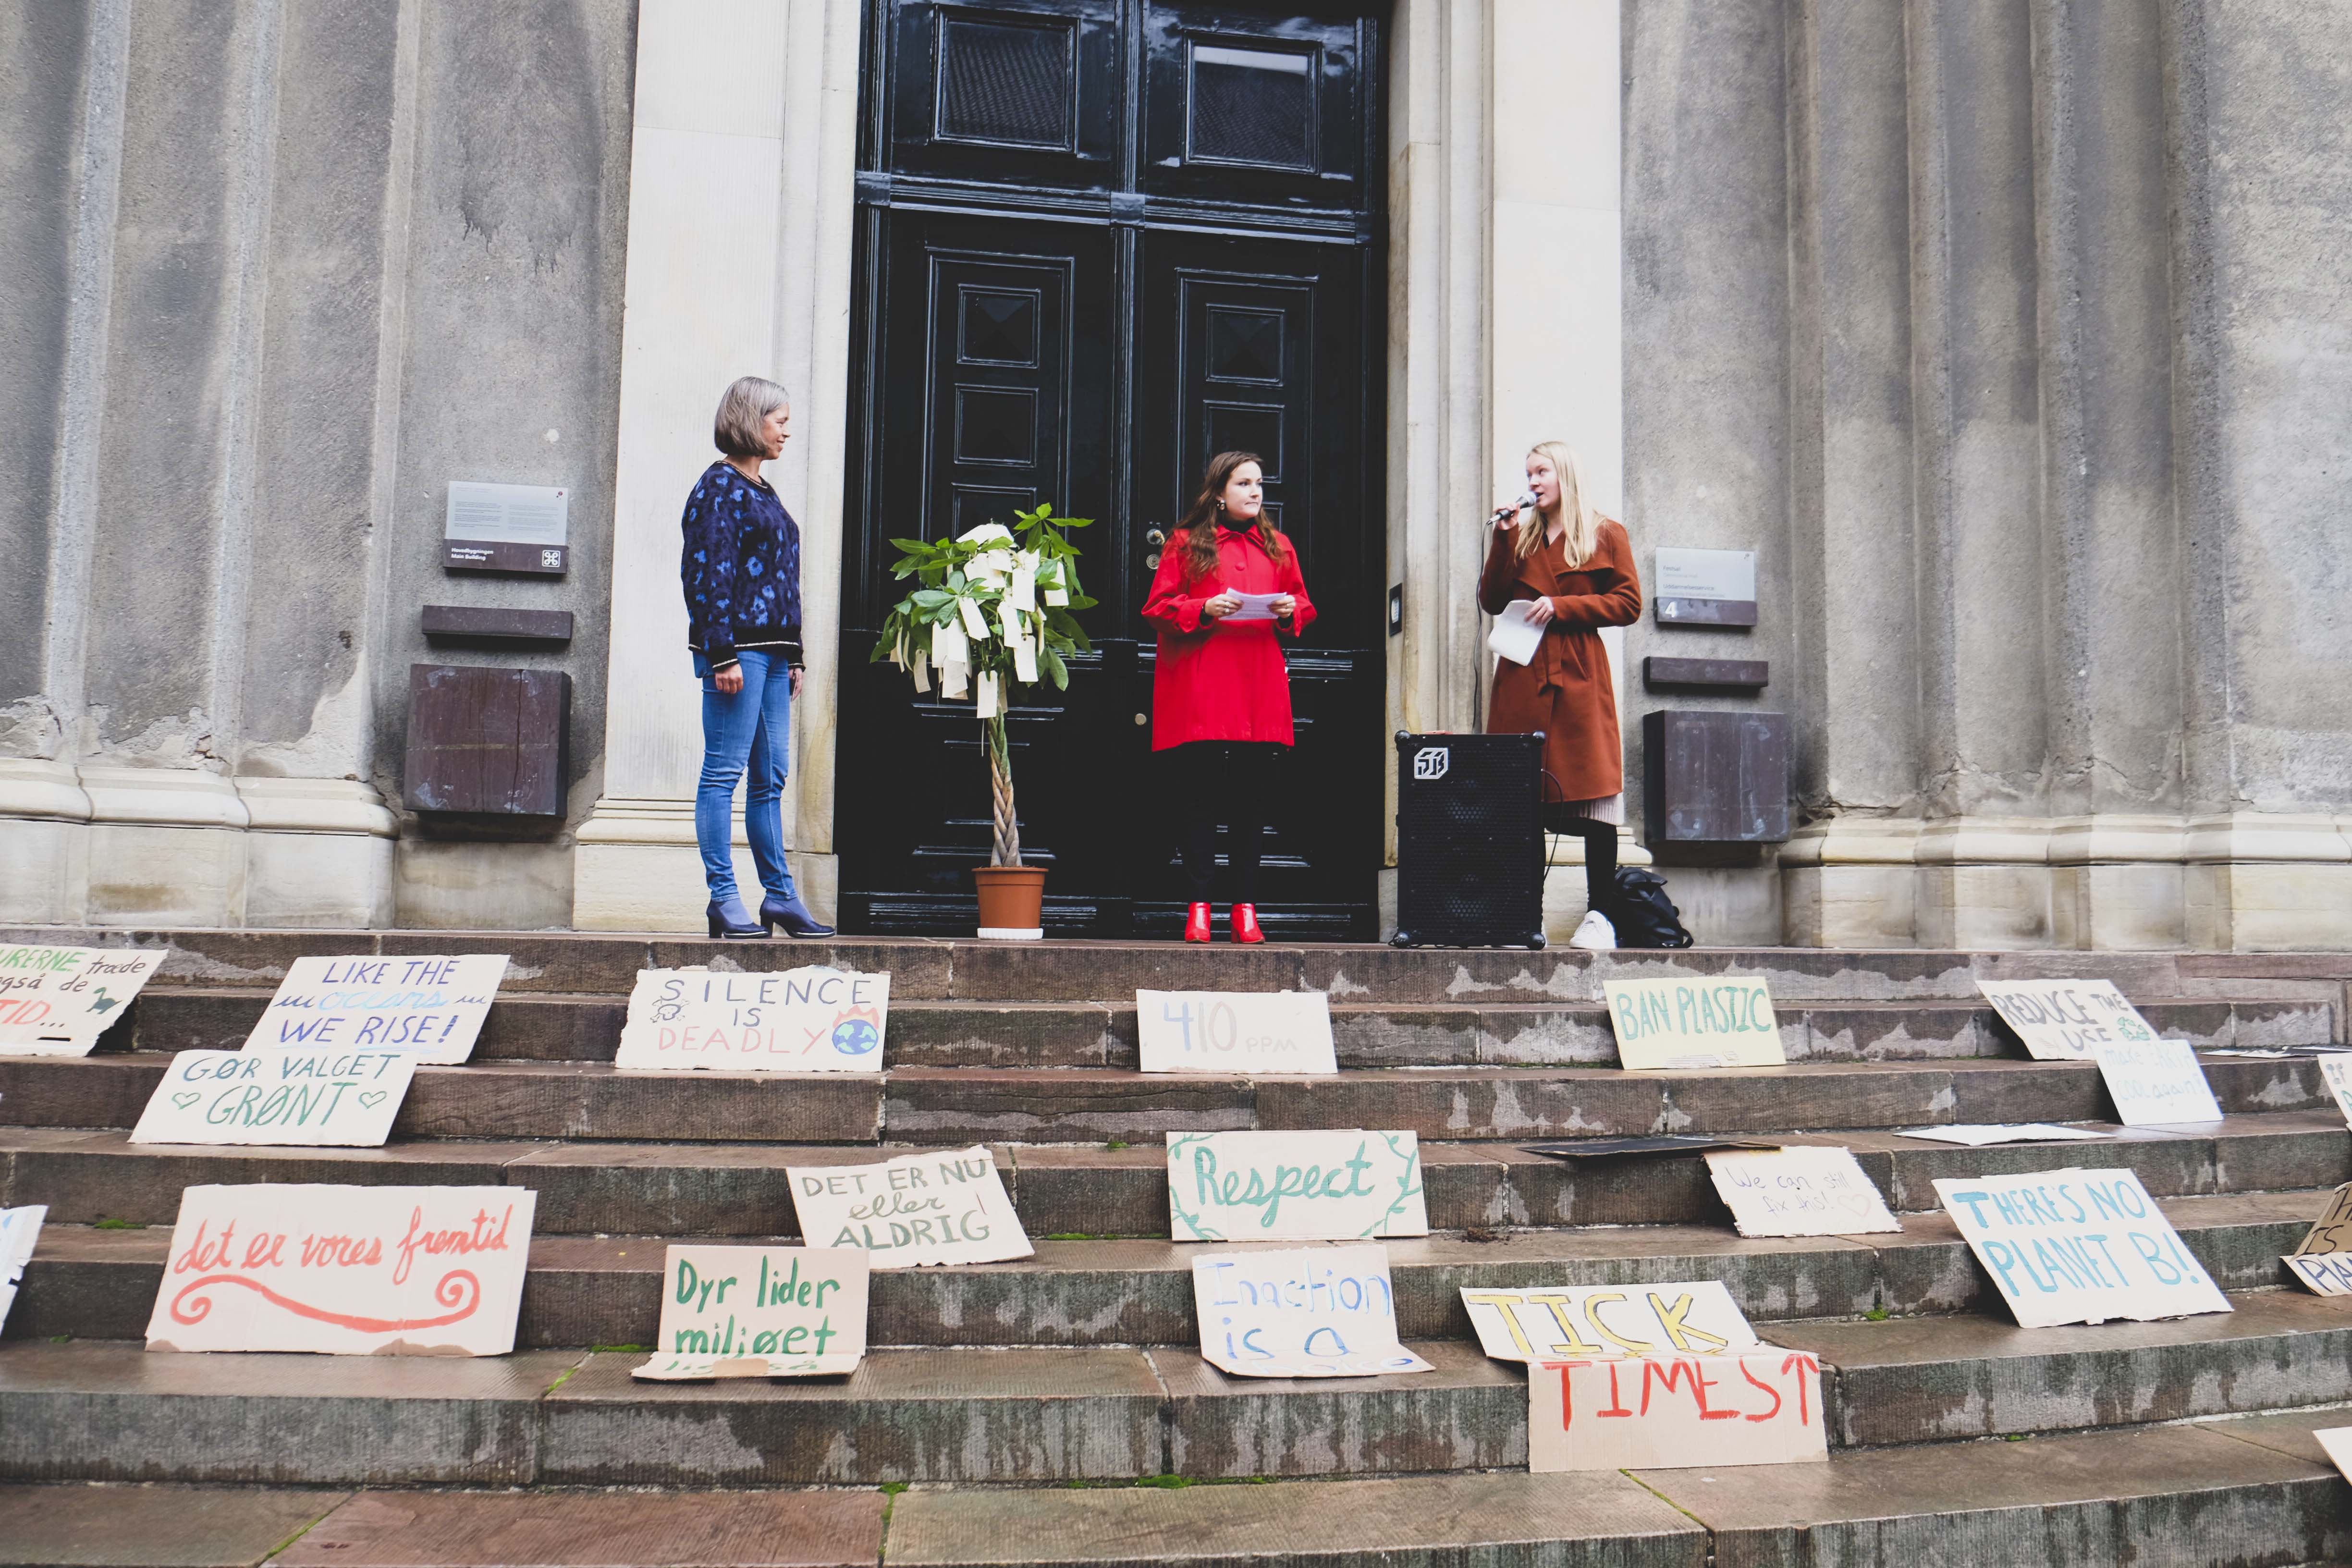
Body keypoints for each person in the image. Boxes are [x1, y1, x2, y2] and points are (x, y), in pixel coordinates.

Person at [680, 376, 835, 939]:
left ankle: (780, 899)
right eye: (780, 420)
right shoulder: (717, 487)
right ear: (750, 419)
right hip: (737, 655)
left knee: (770, 779)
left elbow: (778, 581)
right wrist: (720, 654)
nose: (787, 430)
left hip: (772, 656)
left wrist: (794, 655)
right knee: (722, 773)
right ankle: (724, 898)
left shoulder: (763, 490)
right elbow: (706, 575)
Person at [1142, 451, 1316, 943]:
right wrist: (1204, 606)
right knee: (1197, 801)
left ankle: (1244, 907)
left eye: (1259, 483)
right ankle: (1199, 907)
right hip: (1203, 688)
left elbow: (1303, 606)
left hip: (1257, 688)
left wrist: (1287, 610)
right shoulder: (1186, 543)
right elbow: (1157, 607)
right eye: (1244, 483)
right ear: (1219, 492)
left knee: (1251, 804)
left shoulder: (1279, 546)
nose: (1256, 492)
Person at [1480, 441, 1642, 949]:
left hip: (1577, 673)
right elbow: (1492, 599)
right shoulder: (1522, 535)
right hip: (1522, 675)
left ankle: (1601, 917)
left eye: (1541, 471)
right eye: (1528, 473)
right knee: (1520, 799)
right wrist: (1503, 539)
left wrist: (1563, 605)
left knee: (1594, 796)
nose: (1532, 481)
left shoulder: (1604, 531)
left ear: (1564, 474)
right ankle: (1524, 916)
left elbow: (1628, 602)